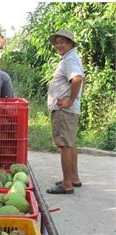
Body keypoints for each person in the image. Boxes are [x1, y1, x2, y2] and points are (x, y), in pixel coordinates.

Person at [46, 30, 85, 194]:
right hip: (68, 109)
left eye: (63, 42)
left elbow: (77, 79)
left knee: (64, 146)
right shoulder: (71, 58)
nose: (59, 45)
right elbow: (82, 78)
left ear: (70, 44)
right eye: (57, 42)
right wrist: (74, 98)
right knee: (70, 144)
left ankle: (67, 184)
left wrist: (69, 101)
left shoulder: (70, 59)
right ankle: (73, 178)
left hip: (64, 111)